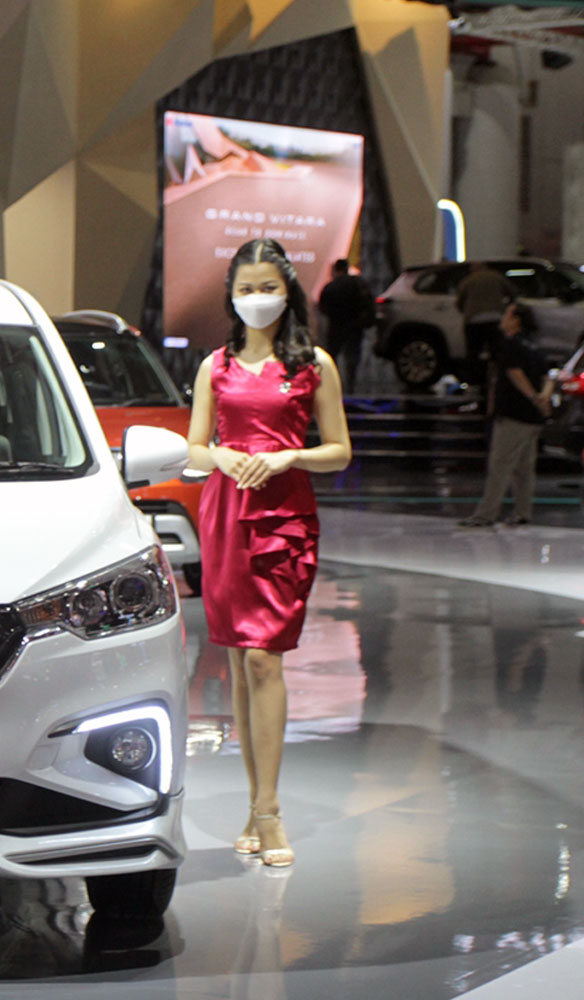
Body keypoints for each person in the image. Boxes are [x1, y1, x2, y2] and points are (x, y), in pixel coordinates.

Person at [186, 239, 352, 868]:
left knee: (264, 657)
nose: (257, 298)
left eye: (268, 287)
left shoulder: (314, 365)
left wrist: (289, 456)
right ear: (231, 295)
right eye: (246, 288)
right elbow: (194, 447)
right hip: (227, 514)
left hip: (284, 519)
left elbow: (339, 451)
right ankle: (255, 805)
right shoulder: (215, 366)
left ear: (288, 293)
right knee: (239, 659)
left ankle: (270, 810)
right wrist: (222, 456)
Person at [459, 302, 550, 527]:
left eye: (507, 314)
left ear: (516, 320)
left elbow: (514, 373)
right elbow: (548, 376)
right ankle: (523, 512)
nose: (502, 318)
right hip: (533, 417)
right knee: (524, 468)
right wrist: (543, 399)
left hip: (513, 414)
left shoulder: (510, 344)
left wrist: (532, 396)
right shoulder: (535, 345)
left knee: (500, 465)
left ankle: (486, 514)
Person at [317, 258, 373, 391]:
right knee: (352, 355)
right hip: (355, 325)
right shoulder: (358, 284)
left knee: (333, 355)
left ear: (335, 270)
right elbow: (368, 302)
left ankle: (333, 383)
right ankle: (351, 384)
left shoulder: (331, 287)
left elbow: (323, 307)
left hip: (336, 325)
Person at [455, 262, 514, 382]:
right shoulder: (497, 277)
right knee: (497, 351)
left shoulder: (468, 280)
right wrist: (507, 308)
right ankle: (498, 378)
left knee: (473, 353)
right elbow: (512, 293)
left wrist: (466, 311)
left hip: (474, 320)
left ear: (473, 269)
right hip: (495, 318)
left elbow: (459, 302)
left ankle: (474, 380)